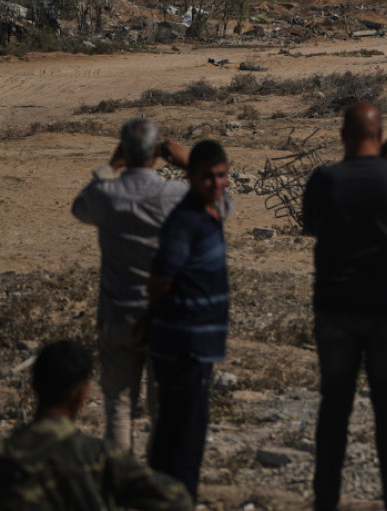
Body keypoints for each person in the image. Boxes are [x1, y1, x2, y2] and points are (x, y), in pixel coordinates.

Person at [302, 102, 387, 511]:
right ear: (379, 137)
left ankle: (325, 498)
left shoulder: (324, 179)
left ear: (342, 135)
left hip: (336, 308)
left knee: (335, 407)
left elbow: (310, 224)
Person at [71, 118, 190, 451]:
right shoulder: (176, 195)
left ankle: (117, 484)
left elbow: (79, 207)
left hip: (117, 314)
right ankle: (155, 486)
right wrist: (188, 162)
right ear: (156, 153)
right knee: (162, 410)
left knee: (119, 409)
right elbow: (218, 203)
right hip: (165, 317)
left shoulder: (107, 196)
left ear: (124, 149)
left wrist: (110, 166)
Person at [0, 339, 190, 511]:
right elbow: (176, 498)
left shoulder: (7, 453)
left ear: (34, 388)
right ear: (81, 394)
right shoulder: (100, 457)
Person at [145, 139, 233, 503]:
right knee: (183, 436)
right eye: (207, 177)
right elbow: (160, 281)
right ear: (192, 179)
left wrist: (185, 161)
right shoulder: (185, 221)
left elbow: (224, 198)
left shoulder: (212, 210)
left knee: (180, 429)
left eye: (222, 175)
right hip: (183, 343)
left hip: (198, 344)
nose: (216, 183)